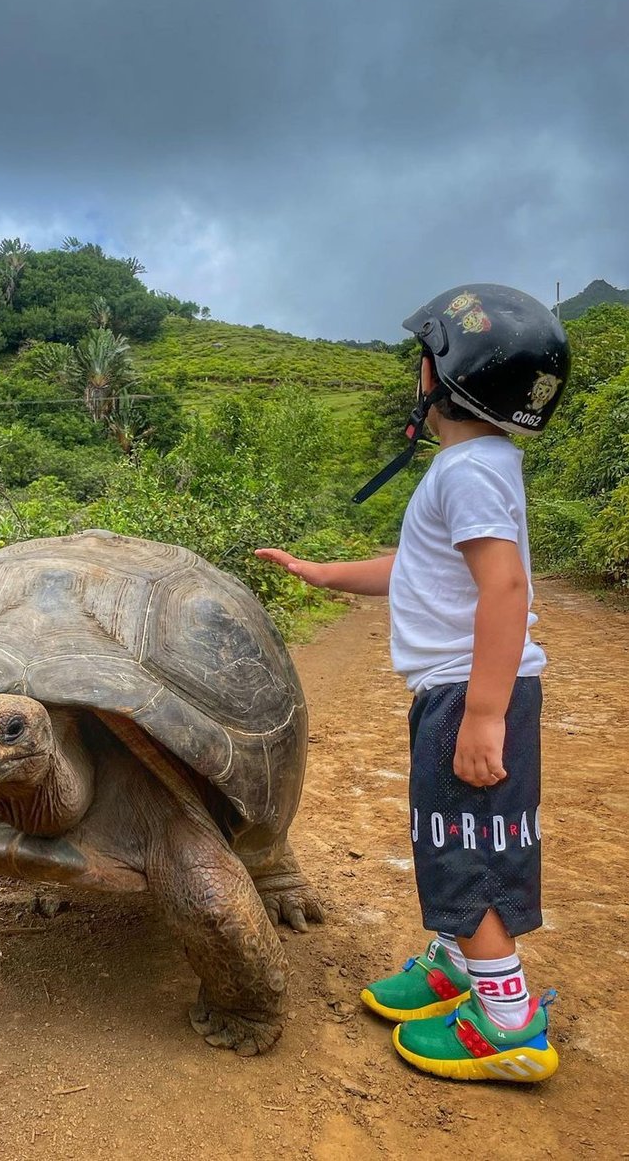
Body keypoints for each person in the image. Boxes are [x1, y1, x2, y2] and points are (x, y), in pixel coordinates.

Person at [257, 284, 570, 1083]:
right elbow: (423, 568)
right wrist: (322, 572)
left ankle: (508, 1023)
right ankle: (457, 963)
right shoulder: (479, 465)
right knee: (461, 841)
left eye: (424, 356)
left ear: (447, 374)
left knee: (462, 856)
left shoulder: (466, 471)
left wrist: (484, 713)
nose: (416, 369)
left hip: (471, 691)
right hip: (465, 688)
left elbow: (504, 588)